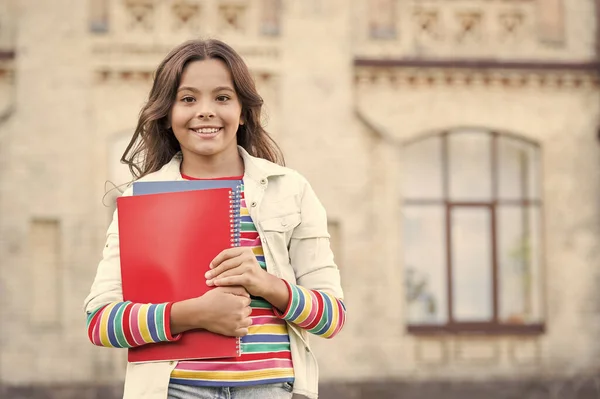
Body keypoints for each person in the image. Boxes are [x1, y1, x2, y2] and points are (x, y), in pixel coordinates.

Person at [84, 39, 346, 399]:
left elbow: (332, 317)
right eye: (188, 98)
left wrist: (265, 283)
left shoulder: (291, 190)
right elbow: (100, 323)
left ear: (242, 111)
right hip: (175, 390)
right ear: (167, 113)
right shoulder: (140, 198)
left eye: (222, 98)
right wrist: (192, 314)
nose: (205, 111)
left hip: (271, 389)